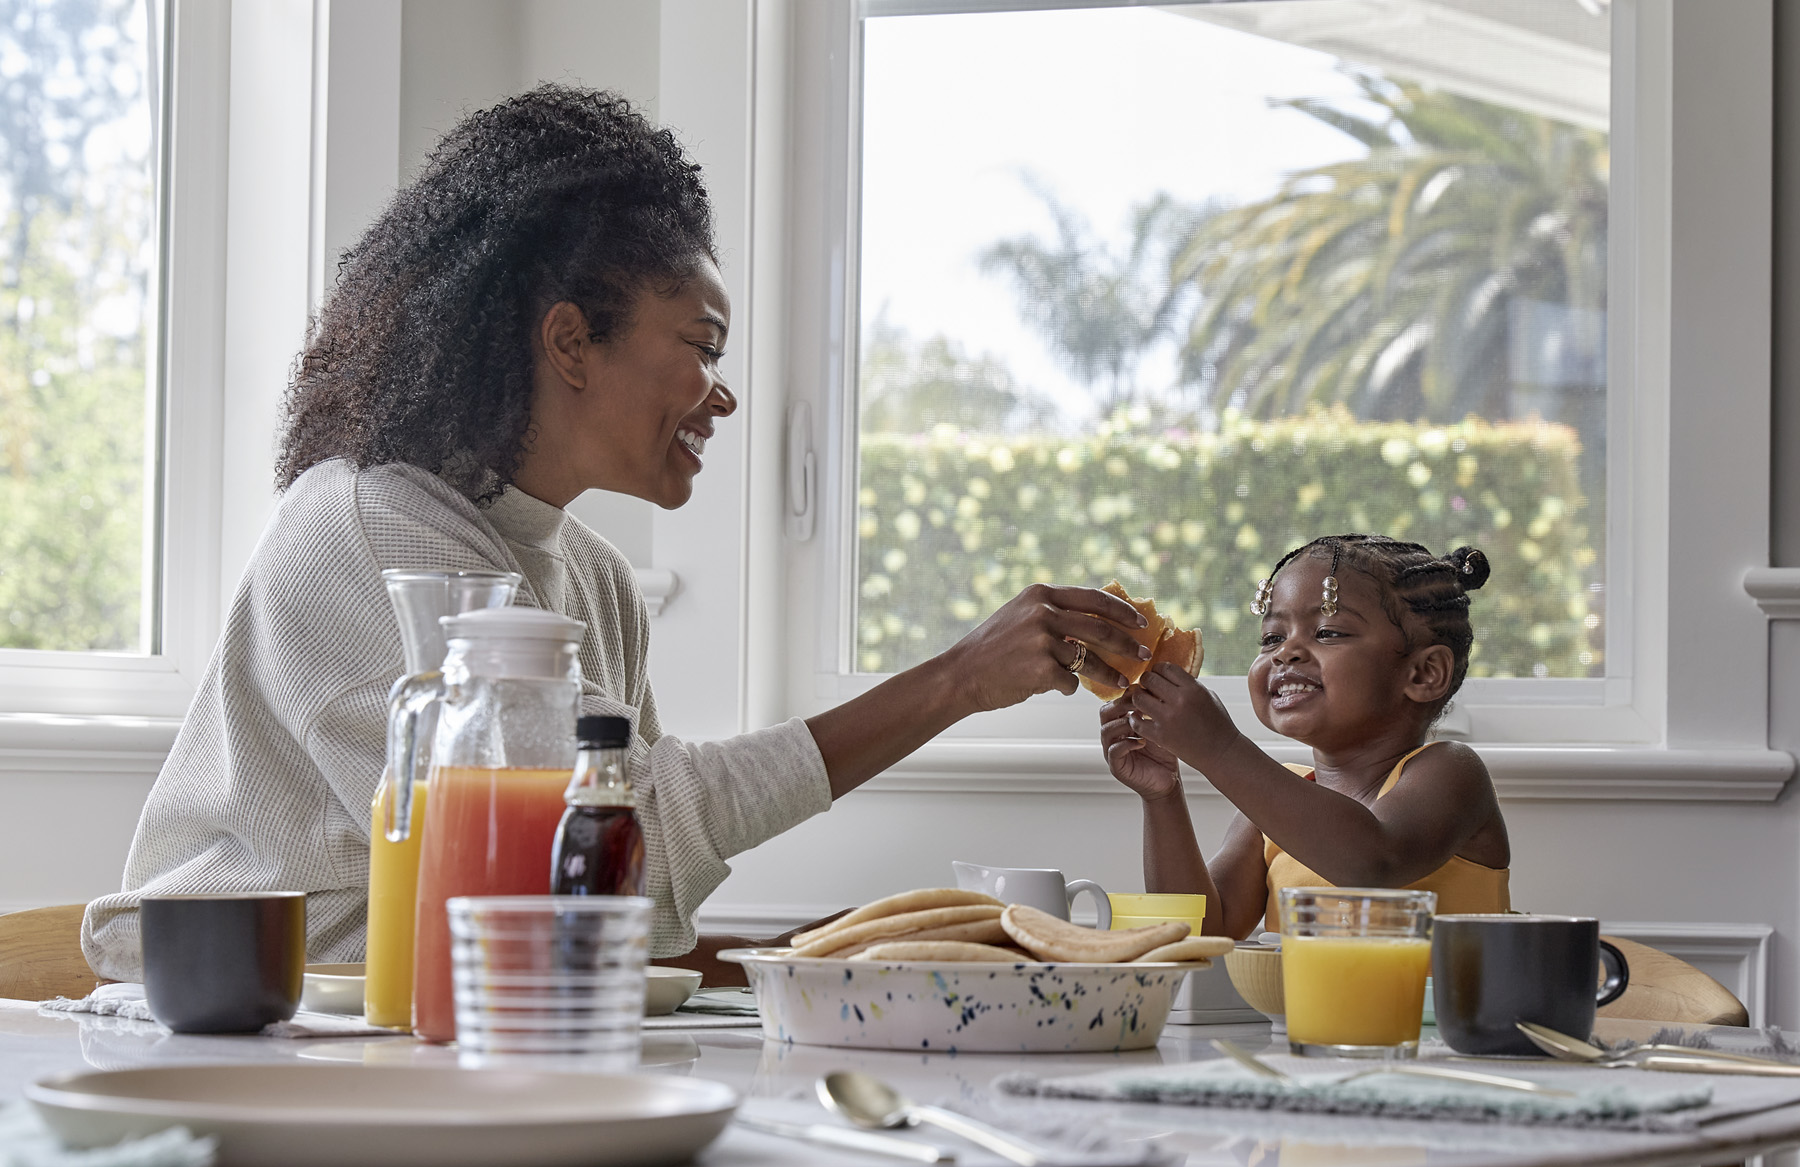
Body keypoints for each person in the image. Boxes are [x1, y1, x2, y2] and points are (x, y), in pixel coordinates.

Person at [81, 86, 1154, 982]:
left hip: (454, 1031)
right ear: (570, 342)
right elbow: (592, 843)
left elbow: (614, 893)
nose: (721, 397)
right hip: (249, 1026)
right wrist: (955, 681)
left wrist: (866, 962)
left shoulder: (589, 577)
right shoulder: (371, 529)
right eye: (702, 343)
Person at [1099, 534, 1510, 939]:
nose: (1285, 653)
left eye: (1328, 633)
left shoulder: (1451, 773)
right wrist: (1163, 797)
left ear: (1424, 673)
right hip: (1302, 1011)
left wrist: (1220, 749)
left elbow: (1372, 863)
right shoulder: (1268, 814)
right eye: (1272, 638)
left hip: (1444, 1011)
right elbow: (1201, 929)